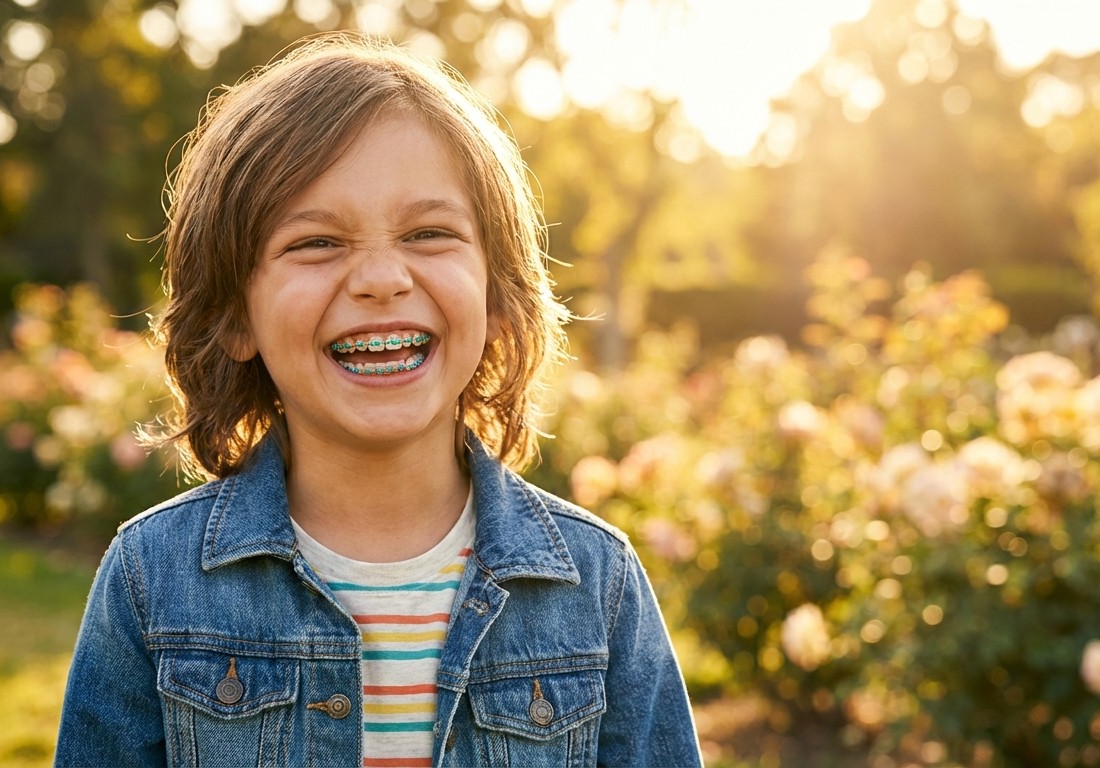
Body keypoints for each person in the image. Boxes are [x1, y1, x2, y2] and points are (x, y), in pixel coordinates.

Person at [55, 33, 702, 768]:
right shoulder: (151, 580)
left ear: (496, 297)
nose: (382, 278)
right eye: (316, 243)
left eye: (429, 233)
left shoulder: (600, 586)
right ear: (235, 316)